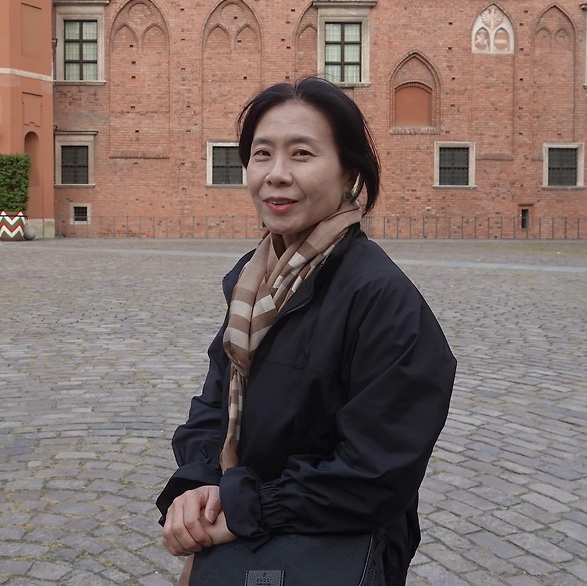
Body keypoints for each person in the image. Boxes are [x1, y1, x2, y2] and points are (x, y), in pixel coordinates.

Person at [157, 77, 458, 585]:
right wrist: (199, 485)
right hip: (241, 533)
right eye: (262, 154)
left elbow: (378, 472)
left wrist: (246, 508)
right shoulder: (253, 281)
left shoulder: (382, 299)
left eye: (301, 154)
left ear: (349, 174)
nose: (276, 174)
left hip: (328, 554)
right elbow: (214, 404)